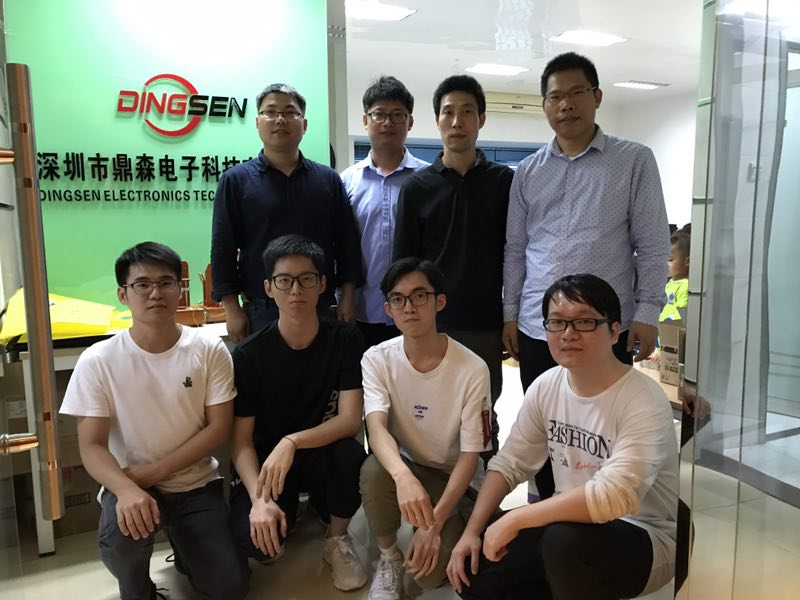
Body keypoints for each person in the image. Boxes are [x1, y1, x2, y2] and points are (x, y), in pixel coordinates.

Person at [447, 273, 678, 600]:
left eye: (584, 322)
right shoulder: (547, 386)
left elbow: (614, 496)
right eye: (556, 323)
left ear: (614, 331)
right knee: (475, 568)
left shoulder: (643, 398)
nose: (568, 334)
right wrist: (472, 532)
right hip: (567, 525)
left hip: (644, 537)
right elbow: (510, 463)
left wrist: (517, 519)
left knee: (562, 542)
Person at [502, 52, 670, 499]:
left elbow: (653, 245)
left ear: (596, 97)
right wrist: (510, 314)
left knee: (604, 428)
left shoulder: (634, 160)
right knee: (543, 426)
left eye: (576, 93)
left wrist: (648, 313)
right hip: (541, 326)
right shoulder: (528, 172)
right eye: (555, 96)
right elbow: (516, 249)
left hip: (606, 327)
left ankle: (604, 511)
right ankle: (546, 508)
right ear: (544, 105)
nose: (566, 105)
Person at [60, 241, 249, 600]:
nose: (155, 293)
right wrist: (126, 488)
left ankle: (187, 548)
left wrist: (155, 471)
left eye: (165, 283)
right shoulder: (98, 360)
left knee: (229, 588)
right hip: (131, 483)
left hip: (195, 483)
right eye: (142, 284)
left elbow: (218, 429)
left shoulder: (208, 349)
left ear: (180, 290)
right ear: (123, 294)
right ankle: (140, 591)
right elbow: (92, 446)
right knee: (124, 538)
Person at [228, 234, 367, 591]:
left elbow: (350, 420)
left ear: (322, 284)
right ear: (268, 288)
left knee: (352, 455)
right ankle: (286, 508)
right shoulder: (249, 355)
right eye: (284, 280)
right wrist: (259, 501)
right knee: (258, 544)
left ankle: (336, 538)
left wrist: (292, 441)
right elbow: (240, 442)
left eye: (306, 279)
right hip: (271, 466)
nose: (296, 290)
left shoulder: (345, 340)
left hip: (321, 454)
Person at [393, 74, 513, 461]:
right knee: (429, 413)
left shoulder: (505, 183)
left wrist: (510, 316)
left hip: (485, 324)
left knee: (482, 416)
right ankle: (431, 490)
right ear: (437, 121)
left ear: (481, 119)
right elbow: (403, 264)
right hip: (431, 323)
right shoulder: (417, 187)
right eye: (448, 113)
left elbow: (517, 253)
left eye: (467, 112)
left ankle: (482, 492)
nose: (457, 121)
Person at [359, 257, 491, 600]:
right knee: (374, 471)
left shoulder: (472, 368)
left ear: (439, 301)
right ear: (388, 309)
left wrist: (434, 524)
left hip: (454, 478)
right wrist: (403, 477)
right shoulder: (376, 359)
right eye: (398, 299)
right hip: (410, 467)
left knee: (430, 578)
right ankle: (389, 558)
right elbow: (376, 428)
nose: (409, 307)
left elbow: (471, 455)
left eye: (419, 296)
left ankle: (448, 519)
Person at [211, 83, 363, 341]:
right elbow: (222, 248)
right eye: (271, 112)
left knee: (324, 367)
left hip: (320, 306)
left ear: (304, 125)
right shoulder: (235, 181)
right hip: (261, 309)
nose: (280, 119)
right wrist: (232, 309)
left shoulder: (328, 180)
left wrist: (348, 297)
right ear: (258, 122)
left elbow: (347, 244)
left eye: (290, 112)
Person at [341, 76, 429, 347]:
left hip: (419, 312)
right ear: (365, 121)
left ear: (410, 122)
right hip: (362, 312)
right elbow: (341, 248)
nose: (387, 122)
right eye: (379, 114)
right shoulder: (346, 182)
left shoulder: (429, 179)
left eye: (397, 115)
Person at [659, 225, 690, 322]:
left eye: (670, 259)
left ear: (687, 261)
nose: (665, 263)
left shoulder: (685, 286)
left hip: (671, 328)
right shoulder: (671, 282)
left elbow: (681, 314)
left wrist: (667, 322)